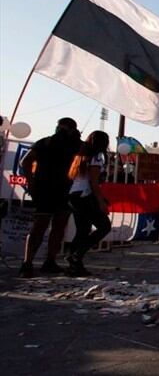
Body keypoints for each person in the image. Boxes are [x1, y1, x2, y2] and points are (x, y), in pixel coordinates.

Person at [18, 117, 82, 278]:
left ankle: (45, 262)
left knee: (54, 227)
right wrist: (31, 184)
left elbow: (25, 162)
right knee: (42, 227)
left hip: (59, 190)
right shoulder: (47, 143)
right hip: (50, 190)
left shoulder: (67, 144)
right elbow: (25, 162)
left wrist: (32, 183)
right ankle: (29, 263)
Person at [66, 130, 112, 276]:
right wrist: (100, 202)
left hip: (75, 194)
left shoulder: (82, 155)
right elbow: (93, 181)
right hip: (85, 195)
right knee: (104, 226)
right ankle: (76, 255)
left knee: (83, 229)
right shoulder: (97, 156)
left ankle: (74, 262)